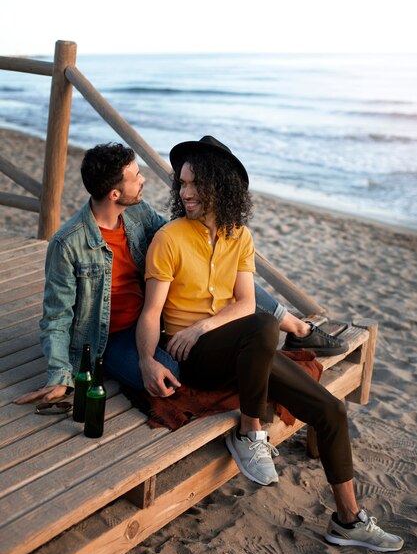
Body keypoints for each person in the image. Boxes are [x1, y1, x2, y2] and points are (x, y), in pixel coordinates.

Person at [136, 135, 403, 552]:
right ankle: (249, 432)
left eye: (193, 184)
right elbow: (151, 312)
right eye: (181, 184)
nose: (184, 192)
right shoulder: (170, 238)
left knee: (330, 410)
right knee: (263, 326)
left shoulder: (239, 236)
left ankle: (349, 520)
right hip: (191, 358)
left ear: (219, 186)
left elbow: (245, 302)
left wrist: (204, 327)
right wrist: (146, 361)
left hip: (236, 347)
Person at [14, 142, 343, 406]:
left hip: (150, 317)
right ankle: (293, 332)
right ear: (115, 194)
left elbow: (184, 238)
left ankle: (297, 327)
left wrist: (221, 232)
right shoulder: (67, 243)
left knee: (234, 281)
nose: (144, 179)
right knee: (171, 377)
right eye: (135, 175)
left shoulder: (138, 212)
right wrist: (60, 375)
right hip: (108, 336)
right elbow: (56, 317)